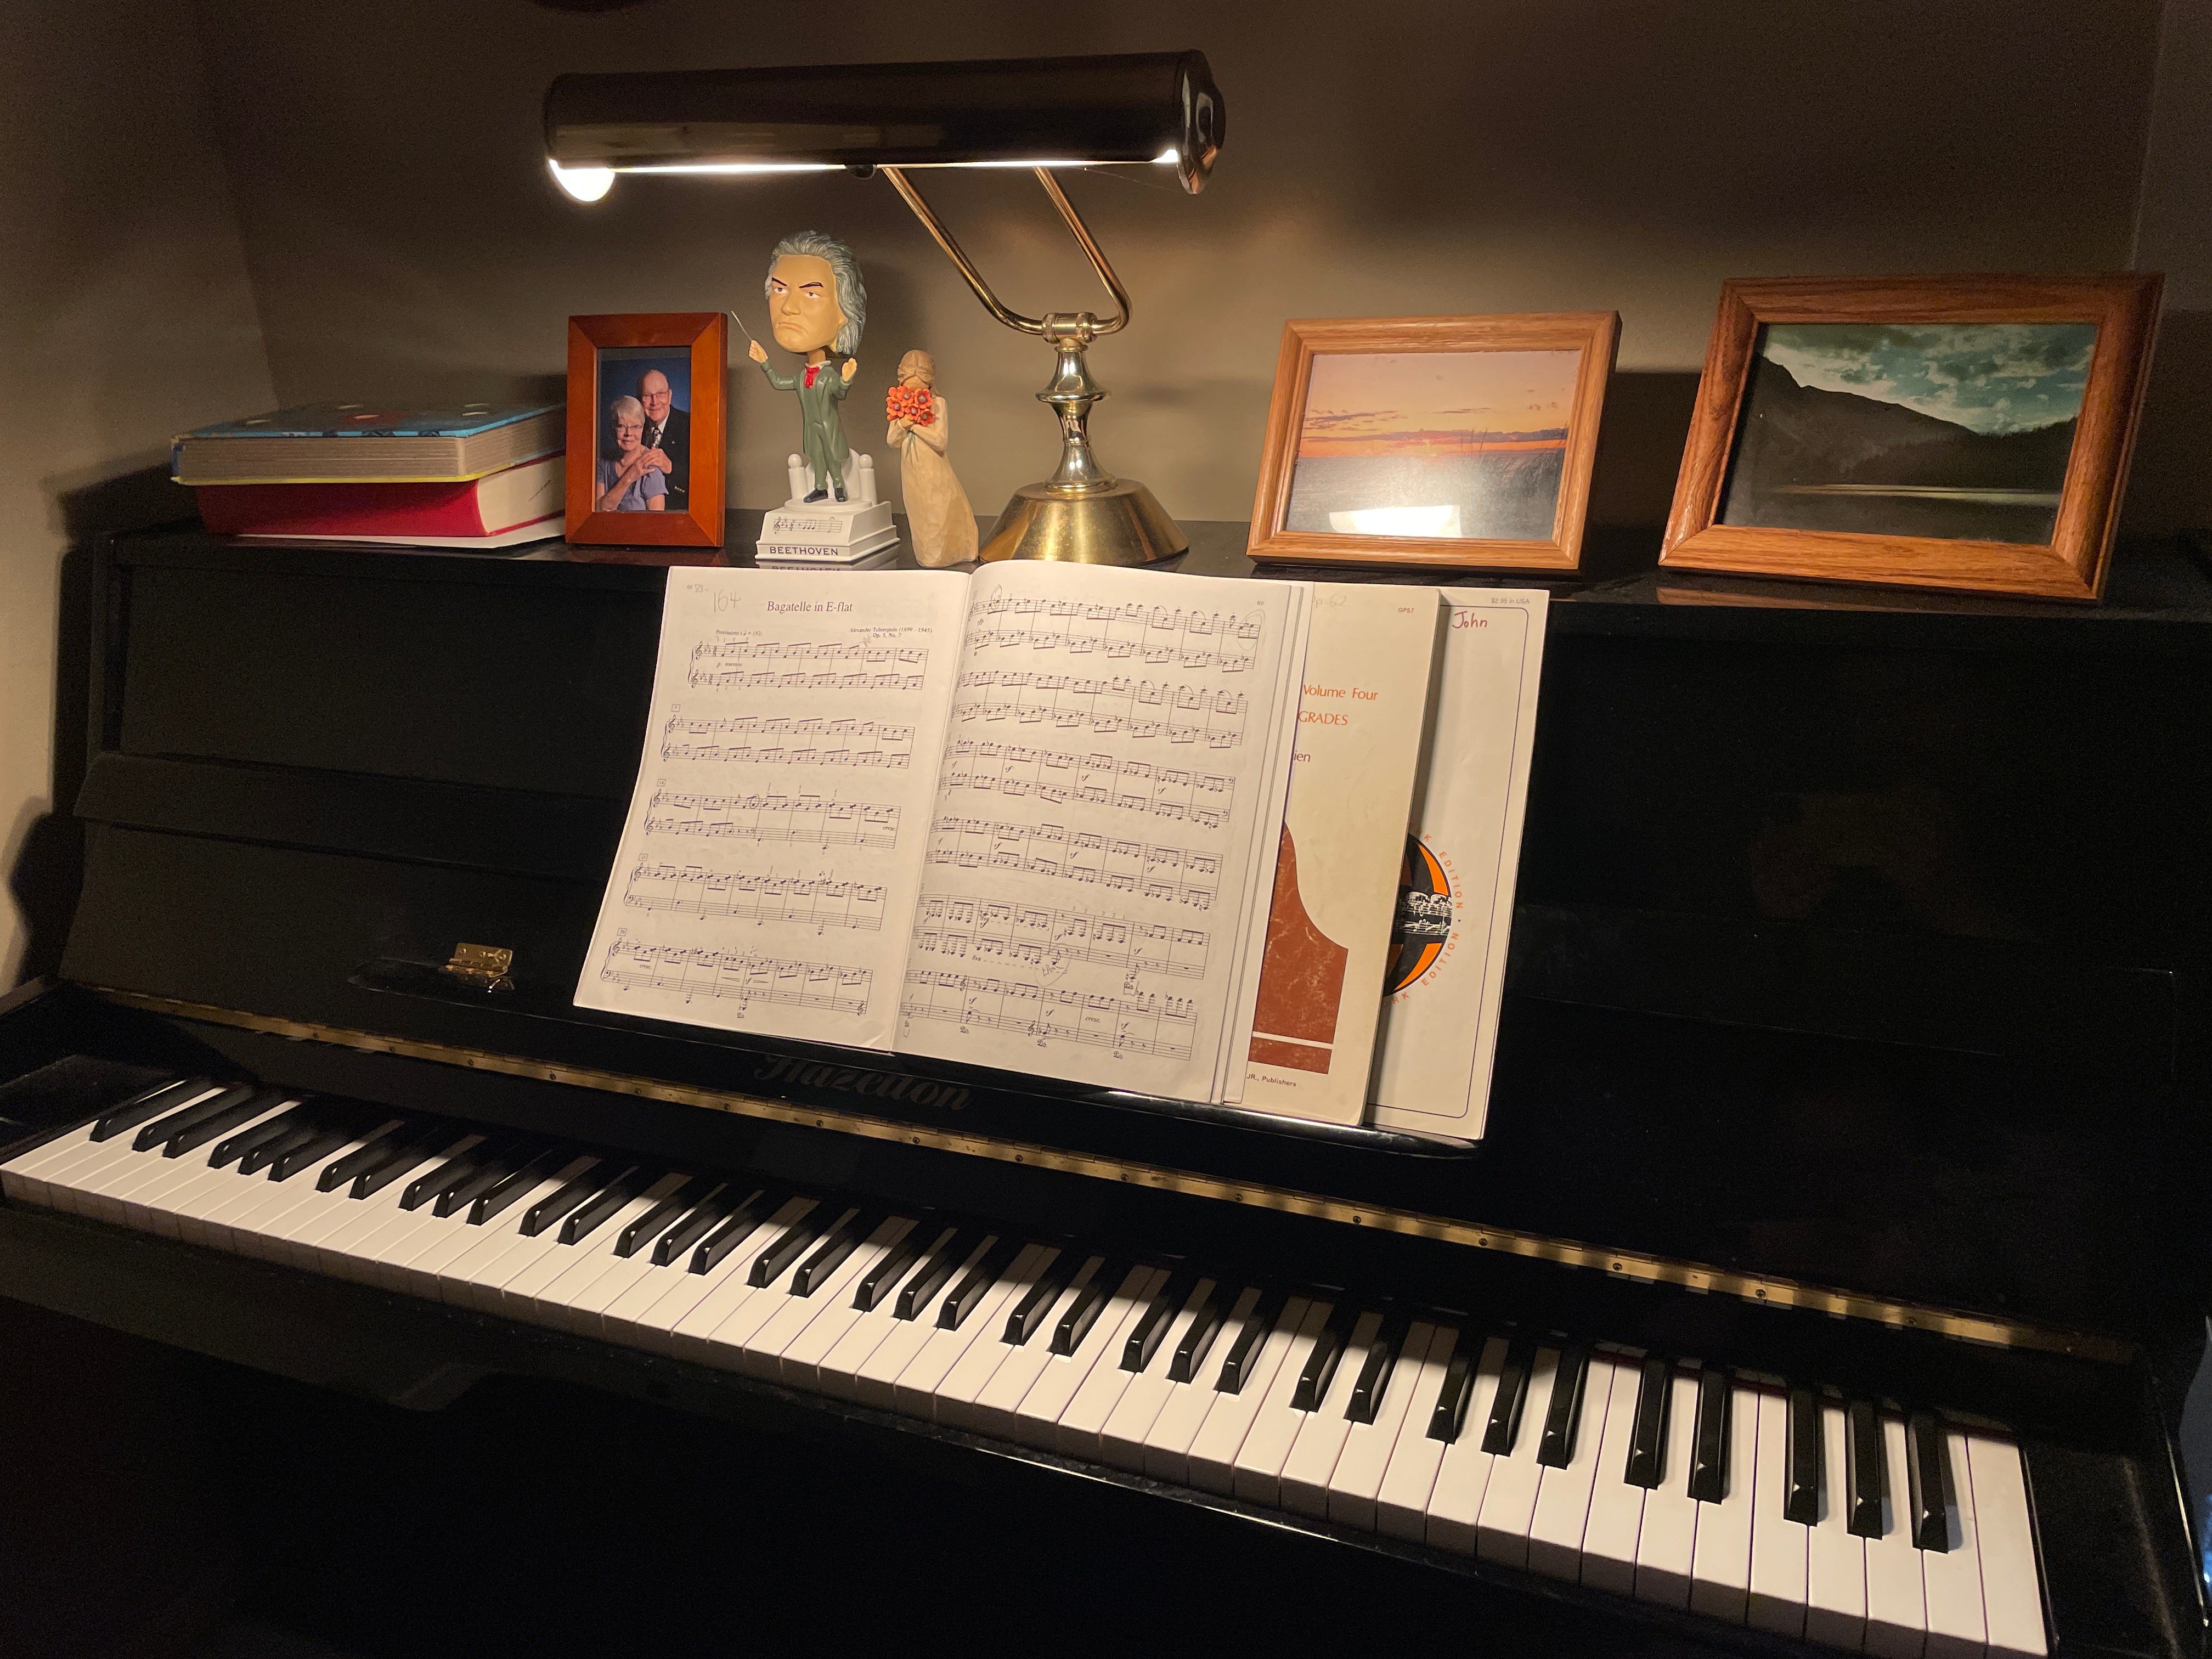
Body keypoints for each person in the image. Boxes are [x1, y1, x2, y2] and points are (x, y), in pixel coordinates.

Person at [750, 230, 864, 503]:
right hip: (812, 429)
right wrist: (765, 362)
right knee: (817, 456)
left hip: (828, 427)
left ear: (844, 311)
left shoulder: (827, 376)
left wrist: (846, 379)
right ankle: (820, 487)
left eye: (811, 293)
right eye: (780, 290)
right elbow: (779, 382)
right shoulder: (802, 376)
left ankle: (839, 487)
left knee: (832, 456)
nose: (788, 307)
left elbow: (840, 393)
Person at [887, 349, 978, 567]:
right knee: (918, 510)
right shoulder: (900, 406)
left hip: (933, 468)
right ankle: (927, 555)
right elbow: (892, 440)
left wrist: (914, 426)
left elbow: (940, 441)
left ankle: (950, 552)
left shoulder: (938, 404)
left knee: (938, 507)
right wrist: (902, 424)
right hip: (911, 470)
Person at [595, 394, 666, 512]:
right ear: (613, 428)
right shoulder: (603, 461)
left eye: (635, 426)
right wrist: (629, 477)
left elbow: (657, 521)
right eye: (621, 426)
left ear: (643, 428)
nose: (628, 433)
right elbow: (599, 511)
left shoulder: (651, 467)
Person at [637, 369, 689, 506]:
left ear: (670, 396)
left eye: (660, 394)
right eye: (647, 395)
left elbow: (705, 481)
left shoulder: (691, 426)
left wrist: (671, 468)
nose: (654, 402)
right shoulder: (633, 429)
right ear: (640, 400)